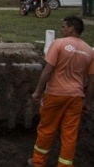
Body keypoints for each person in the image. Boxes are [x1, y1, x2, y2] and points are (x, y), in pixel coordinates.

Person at [28, 16, 94, 167]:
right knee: (70, 134)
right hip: (76, 97)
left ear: (71, 28)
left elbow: (48, 70)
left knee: (47, 129)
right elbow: (92, 81)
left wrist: (38, 92)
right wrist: (88, 103)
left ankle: (38, 162)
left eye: (64, 26)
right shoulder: (89, 51)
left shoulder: (58, 44)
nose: (61, 29)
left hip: (55, 95)